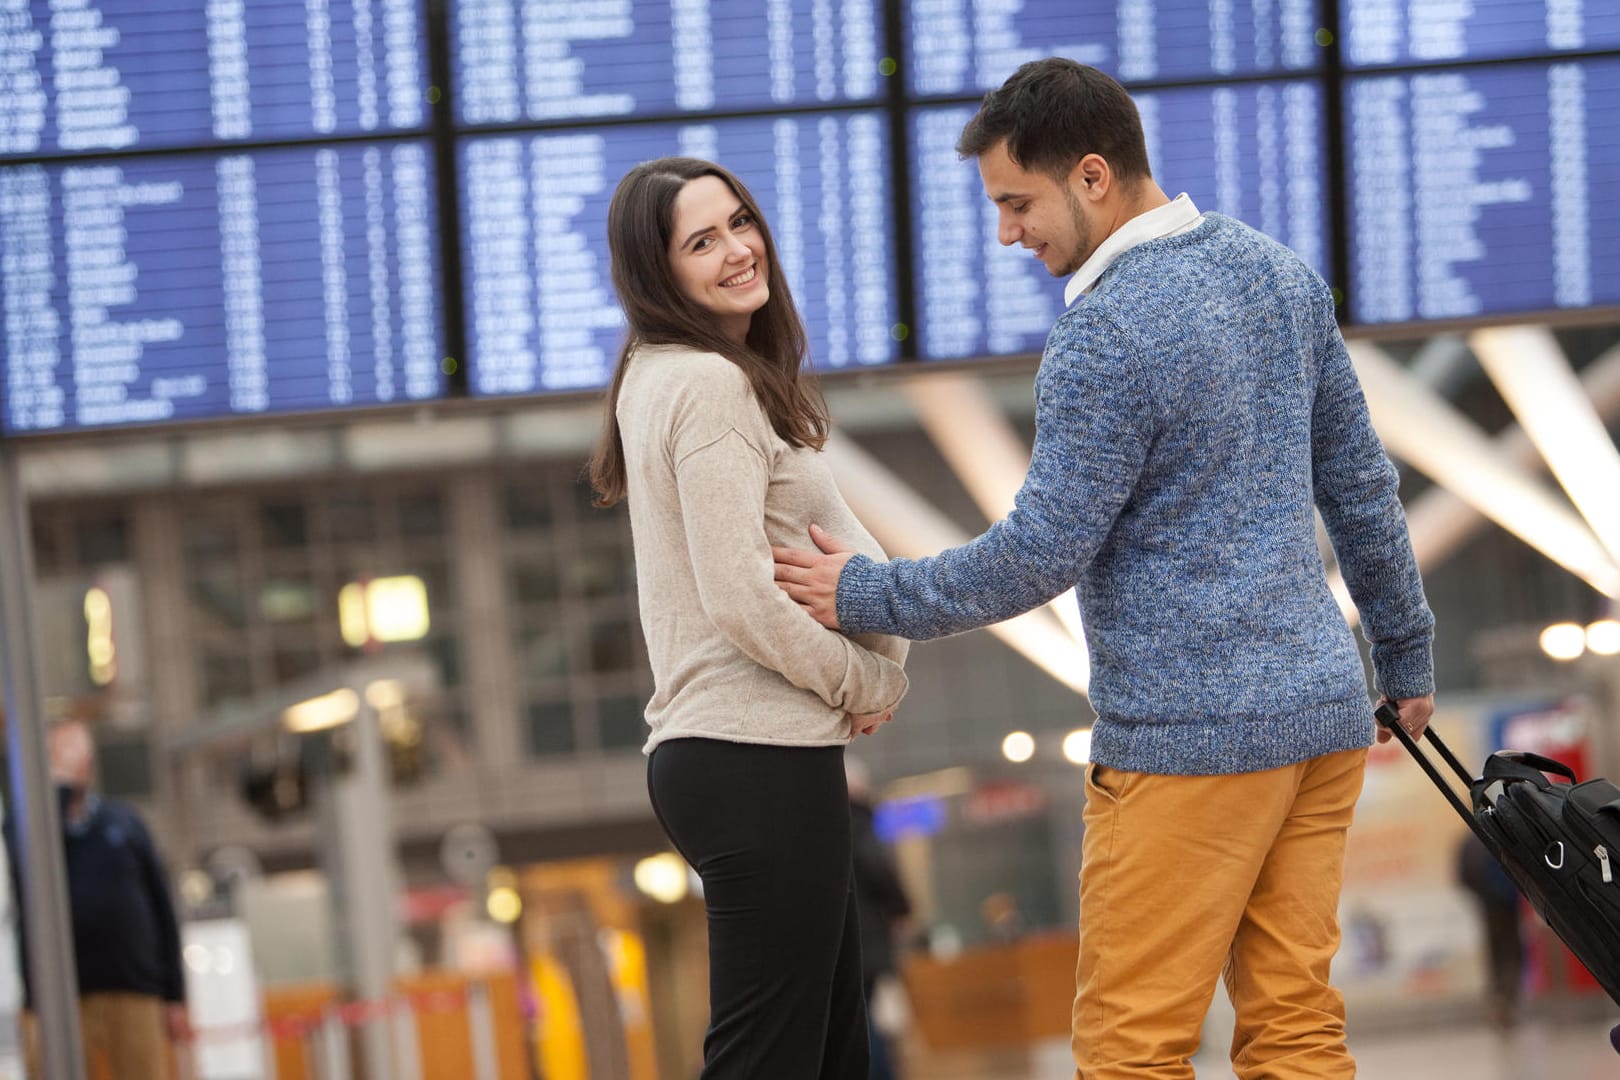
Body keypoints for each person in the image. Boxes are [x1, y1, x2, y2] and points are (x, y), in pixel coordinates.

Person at [772, 58, 1436, 1079]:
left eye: (1015, 203)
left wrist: (866, 591)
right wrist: (1406, 654)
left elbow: (1039, 553)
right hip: (1321, 717)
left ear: (1092, 176)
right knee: (1296, 1028)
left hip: (1191, 737)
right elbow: (1361, 487)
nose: (1006, 234)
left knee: (1132, 1046)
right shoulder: (1277, 273)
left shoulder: (1108, 331)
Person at [588, 156, 910, 1079]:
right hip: (754, 755)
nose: (737, 250)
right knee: (771, 1058)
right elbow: (736, 592)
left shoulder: (669, 376)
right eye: (701, 241)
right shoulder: (708, 386)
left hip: (744, 757)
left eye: (739, 222)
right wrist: (865, 679)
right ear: (660, 273)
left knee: (830, 1054)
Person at [10, 718, 190, 1078]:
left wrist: (175, 995)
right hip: (58, 997)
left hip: (133, 988)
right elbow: (24, 865)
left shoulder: (124, 822)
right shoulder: (27, 827)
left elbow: (161, 907)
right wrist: (58, 791)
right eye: (59, 752)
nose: (70, 759)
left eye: (77, 749)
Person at [846, 758, 912, 1080]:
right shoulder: (857, 822)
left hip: (845, 941)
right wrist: (901, 908)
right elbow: (879, 868)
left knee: (858, 1017)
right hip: (867, 941)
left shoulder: (820, 825)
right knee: (869, 1019)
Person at [1456, 832, 1524, 1027]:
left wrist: (1482, 895)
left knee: (1495, 954)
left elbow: (1462, 876)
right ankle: (1507, 1001)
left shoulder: (1469, 843)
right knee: (1511, 953)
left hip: (1488, 907)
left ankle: (1498, 1001)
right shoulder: (1500, 836)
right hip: (1508, 906)